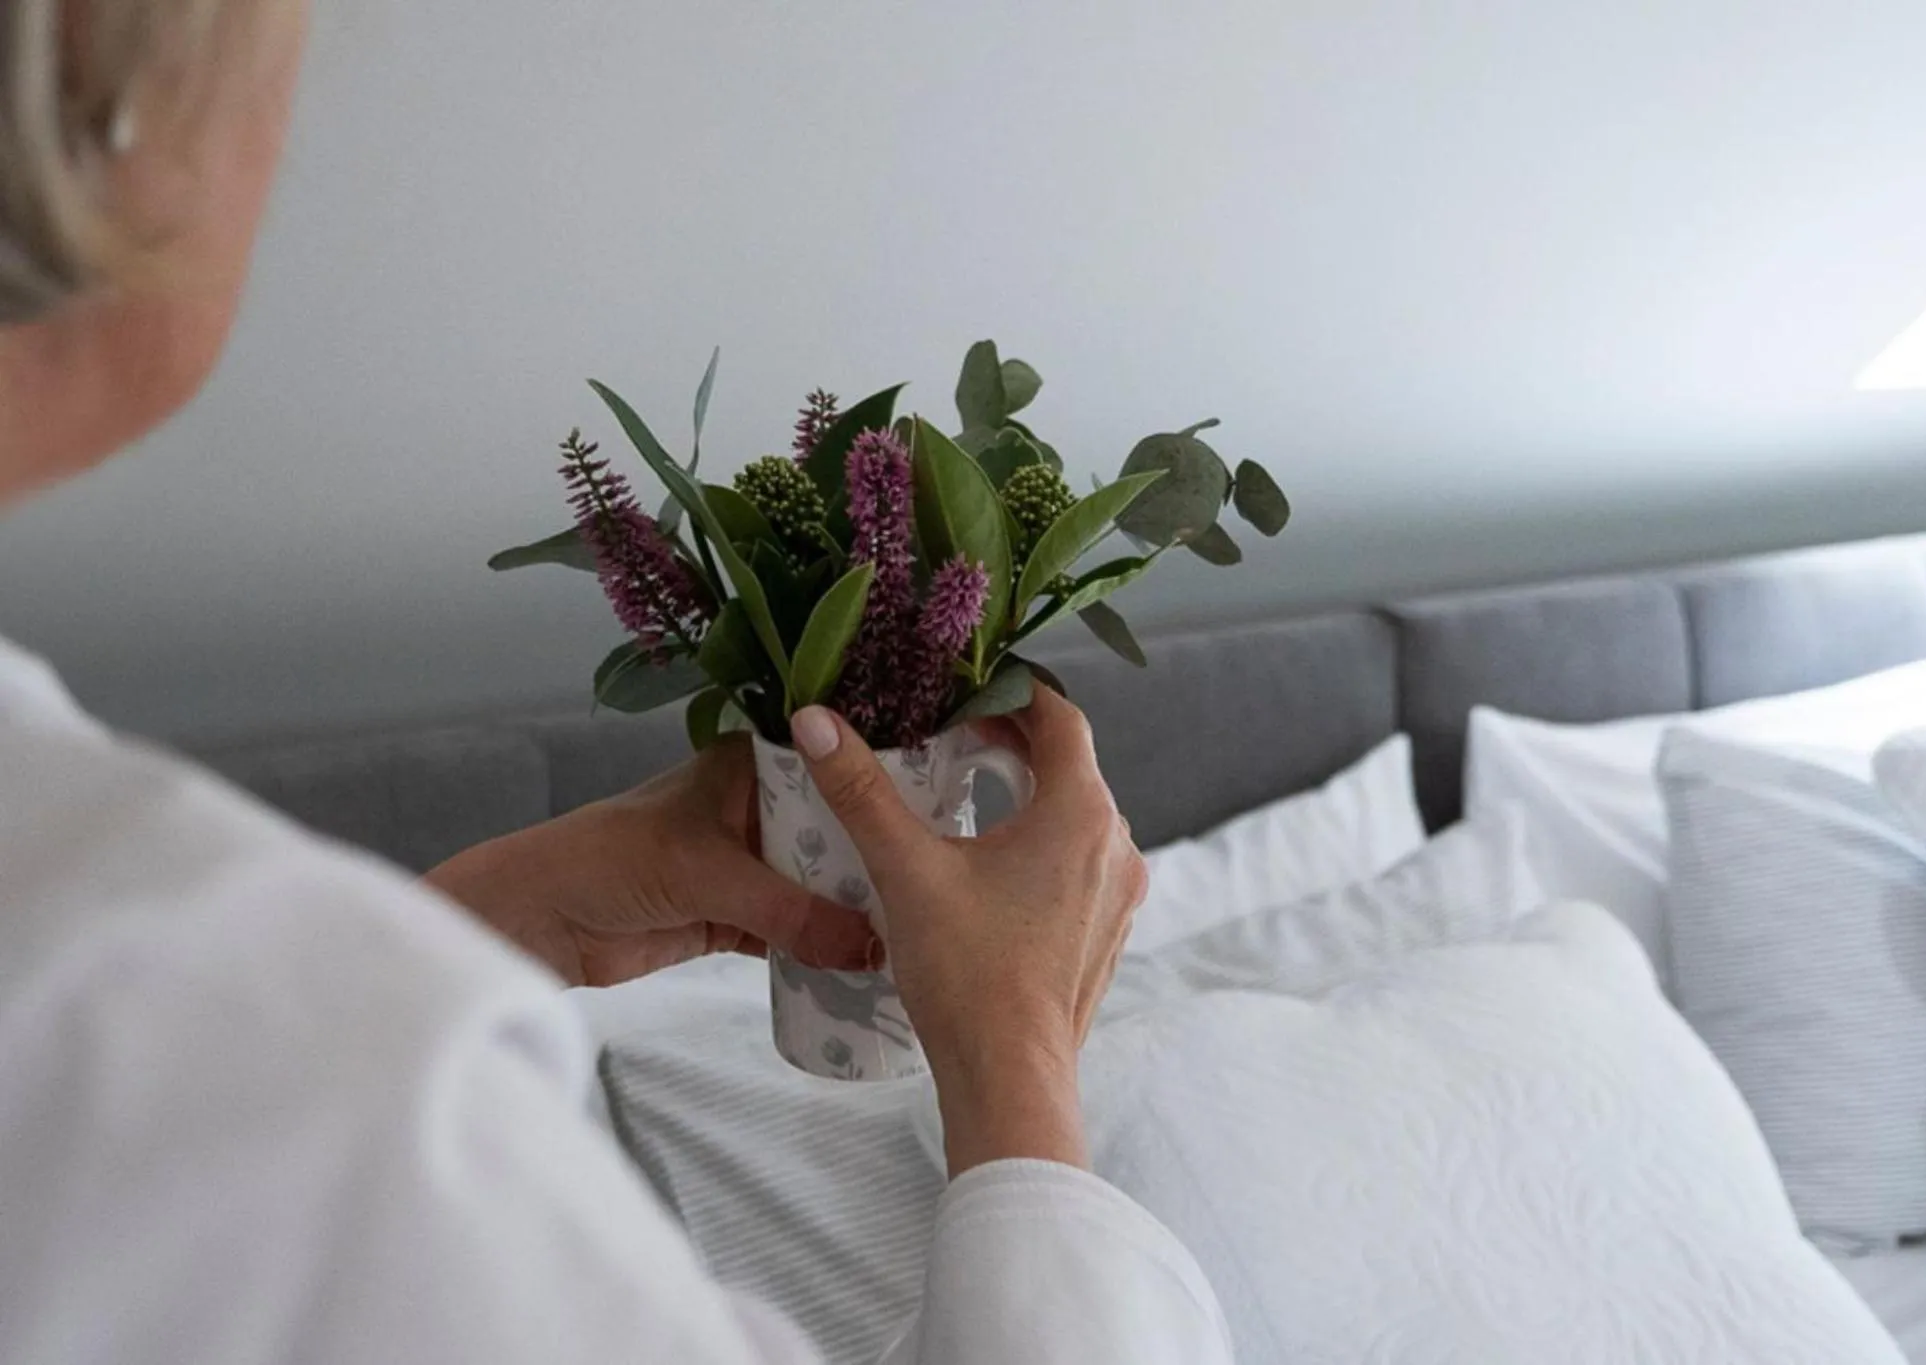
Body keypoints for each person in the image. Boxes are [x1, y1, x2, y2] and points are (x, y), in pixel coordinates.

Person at [0, 3, 1233, 1361]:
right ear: (93, 84)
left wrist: (470, 929)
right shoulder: (334, 1121)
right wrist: (1021, 1060)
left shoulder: (122, 967)